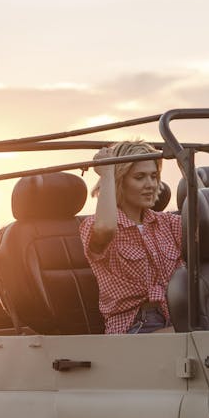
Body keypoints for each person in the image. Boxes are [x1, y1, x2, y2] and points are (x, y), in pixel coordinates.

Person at [80, 141, 182, 334]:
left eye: (154, 176)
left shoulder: (167, 222)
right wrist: (107, 172)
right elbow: (105, 227)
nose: (150, 185)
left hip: (175, 318)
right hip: (135, 326)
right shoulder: (96, 225)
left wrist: (186, 167)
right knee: (205, 339)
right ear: (120, 181)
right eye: (139, 177)